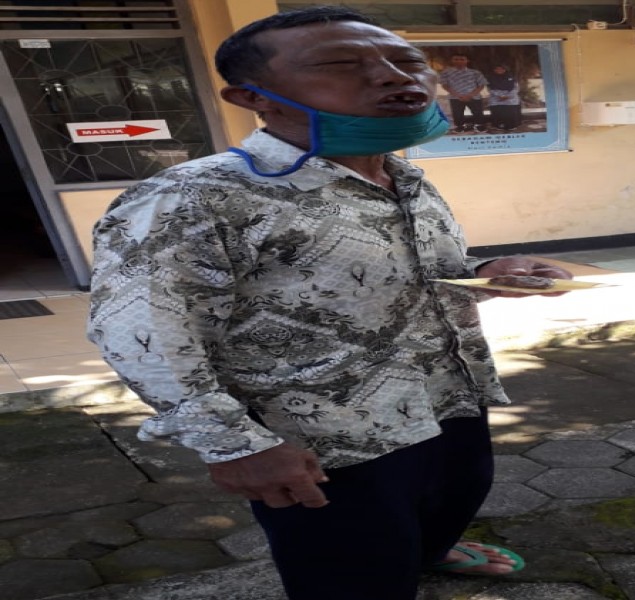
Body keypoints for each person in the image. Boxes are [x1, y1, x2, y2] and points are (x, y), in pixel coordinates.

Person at [87, 6, 573, 600]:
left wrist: (484, 273)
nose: (395, 76)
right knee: (350, 569)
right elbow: (139, 331)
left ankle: (429, 552)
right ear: (253, 97)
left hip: (448, 396)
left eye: (408, 61)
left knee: (451, 499)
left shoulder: (403, 177)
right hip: (326, 438)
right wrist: (234, 445)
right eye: (341, 64)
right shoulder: (193, 197)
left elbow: (407, 269)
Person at [438, 53, 488, 133]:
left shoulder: (475, 72)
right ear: (452, 60)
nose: (459, 61)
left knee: (478, 112)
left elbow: (481, 85)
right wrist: (458, 95)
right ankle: (459, 127)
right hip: (455, 97)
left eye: (462, 59)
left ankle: (479, 126)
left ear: (467, 61)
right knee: (457, 114)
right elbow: (445, 85)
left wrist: (470, 95)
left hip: (474, 96)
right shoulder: (446, 73)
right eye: (456, 59)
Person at [486, 65, 522, 132]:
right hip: (496, 97)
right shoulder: (490, 78)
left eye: (501, 69)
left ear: (505, 70)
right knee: (497, 110)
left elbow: (516, 88)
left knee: (511, 109)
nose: (499, 70)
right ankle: (498, 125)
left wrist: (507, 96)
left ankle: (511, 125)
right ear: (494, 70)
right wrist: (500, 96)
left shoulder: (512, 78)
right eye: (497, 69)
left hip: (510, 97)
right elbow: (490, 89)